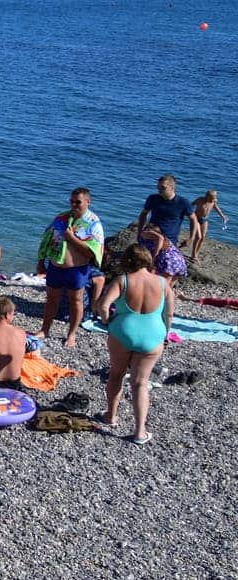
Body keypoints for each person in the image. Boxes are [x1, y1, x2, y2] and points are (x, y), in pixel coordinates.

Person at [97, 244, 173, 444]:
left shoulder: (122, 281)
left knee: (116, 374)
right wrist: (166, 332)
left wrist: (106, 320)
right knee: (140, 383)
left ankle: (110, 416)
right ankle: (140, 432)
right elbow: (169, 313)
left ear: (127, 261)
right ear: (148, 260)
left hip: (123, 332)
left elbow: (104, 305)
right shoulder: (164, 283)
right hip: (153, 335)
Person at [38, 187, 106, 347]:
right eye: (72, 201)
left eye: (78, 202)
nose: (74, 205)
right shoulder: (62, 217)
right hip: (56, 266)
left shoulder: (93, 223)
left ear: (88, 202)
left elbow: (92, 252)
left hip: (77, 269)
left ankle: (71, 334)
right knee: (51, 299)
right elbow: (47, 238)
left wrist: (72, 238)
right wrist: (41, 261)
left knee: (76, 301)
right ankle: (44, 330)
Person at [136, 175, 194, 247]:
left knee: (169, 258)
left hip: (169, 240)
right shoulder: (152, 198)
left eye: (163, 188)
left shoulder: (183, 202)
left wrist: (191, 238)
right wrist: (139, 232)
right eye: (158, 187)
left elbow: (193, 219)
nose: (159, 190)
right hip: (151, 236)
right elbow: (143, 214)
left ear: (172, 187)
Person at [137, 222, 188, 286]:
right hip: (179, 261)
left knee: (161, 288)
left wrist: (154, 258)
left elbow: (160, 238)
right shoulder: (166, 241)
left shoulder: (145, 233)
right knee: (167, 289)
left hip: (168, 262)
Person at [190, 190, 227, 262]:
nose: (213, 200)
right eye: (212, 198)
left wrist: (223, 216)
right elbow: (191, 205)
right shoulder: (200, 199)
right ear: (207, 196)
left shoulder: (213, 201)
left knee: (203, 238)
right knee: (198, 237)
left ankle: (196, 253)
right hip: (196, 219)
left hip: (205, 220)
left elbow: (217, 208)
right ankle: (193, 255)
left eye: (214, 198)